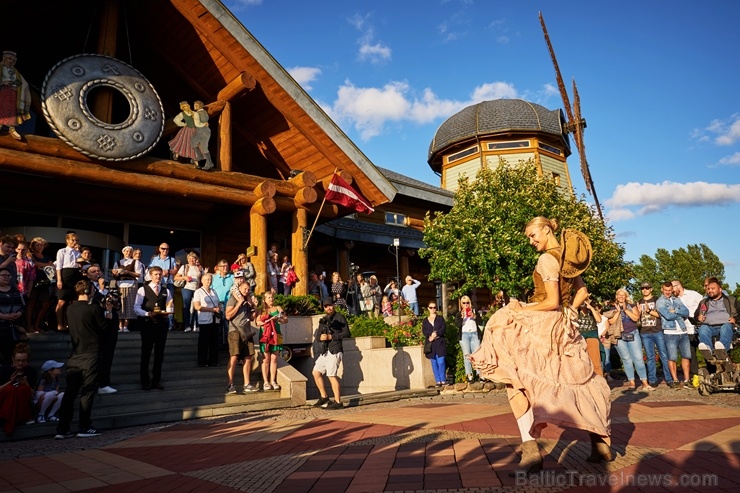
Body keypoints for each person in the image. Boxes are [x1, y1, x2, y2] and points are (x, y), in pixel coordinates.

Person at [470, 217, 612, 473]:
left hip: (543, 326)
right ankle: (600, 442)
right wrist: (572, 310)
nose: (531, 240)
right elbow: (582, 292)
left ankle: (531, 452)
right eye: (529, 237)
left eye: (533, 234)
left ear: (546, 230)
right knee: (578, 383)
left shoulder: (547, 259)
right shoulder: (567, 258)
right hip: (563, 328)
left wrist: (519, 308)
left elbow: (551, 301)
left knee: (518, 383)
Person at [55, 279, 113, 439]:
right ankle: (84, 426)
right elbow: (104, 328)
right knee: (88, 391)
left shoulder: (70, 309)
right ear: (88, 291)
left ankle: (62, 428)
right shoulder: (94, 308)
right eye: (93, 290)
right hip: (91, 354)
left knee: (70, 393)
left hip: (75, 355)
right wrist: (108, 312)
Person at [134, 266, 173, 390]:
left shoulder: (166, 291)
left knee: (159, 354)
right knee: (146, 353)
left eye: (160, 275)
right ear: (151, 276)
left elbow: (170, 305)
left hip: (161, 325)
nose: (158, 277)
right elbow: (136, 307)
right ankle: (145, 381)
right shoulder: (143, 289)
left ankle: (156, 380)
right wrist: (146, 314)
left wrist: (168, 312)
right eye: (156, 274)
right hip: (147, 324)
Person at [609, 288, 654, 391]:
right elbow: (611, 321)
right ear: (616, 296)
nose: (621, 297)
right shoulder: (612, 308)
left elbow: (635, 318)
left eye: (623, 295)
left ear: (626, 296)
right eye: (619, 295)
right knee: (626, 359)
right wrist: (618, 312)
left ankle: (644, 382)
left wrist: (625, 310)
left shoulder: (632, 306)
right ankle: (632, 382)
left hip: (632, 333)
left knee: (638, 358)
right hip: (619, 336)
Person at [86, 264, 119, 395]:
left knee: (108, 354)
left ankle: (104, 382)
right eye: (93, 271)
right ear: (88, 275)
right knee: (96, 356)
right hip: (97, 325)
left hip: (111, 324)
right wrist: (101, 290)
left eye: (98, 270)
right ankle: (93, 382)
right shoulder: (87, 286)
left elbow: (117, 302)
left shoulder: (109, 285)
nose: (97, 273)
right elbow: (91, 302)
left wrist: (110, 297)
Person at [312, 297, 349, 410]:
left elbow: (347, 333)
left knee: (331, 375)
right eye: (326, 306)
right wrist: (321, 337)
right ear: (324, 308)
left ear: (334, 305)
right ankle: (324, 397)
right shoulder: (323, 320)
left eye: (330, 305)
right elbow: (318, 336)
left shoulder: (339, 317)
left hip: (335, 350)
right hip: (325, 351)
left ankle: (338, 402)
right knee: (316, 372)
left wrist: (332, 336)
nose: (329, 308)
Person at [655, 281, 691, 389]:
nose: (667, 292)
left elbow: (686, 312)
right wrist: (677, 312)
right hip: (670, 332)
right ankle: (675, 380)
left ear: (672, 290)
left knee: (686, 356)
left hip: (683, 331)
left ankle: (686, 380)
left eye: (669, 290)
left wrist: (674, 310)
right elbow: (667, 316)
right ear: (662, 290)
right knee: (672, 357)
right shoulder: (660, 301)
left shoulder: (676, 299)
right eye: (665, 290)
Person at [636, 282, 672, 387]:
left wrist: (649, 311)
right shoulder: (639, 302)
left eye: (647, 288)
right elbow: (637, 320)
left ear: (651, 289)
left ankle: (669, 379)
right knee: (650, 357)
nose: (645, 290)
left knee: (664, 355)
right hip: (645, 332)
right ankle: (652, 379)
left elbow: (662, 315)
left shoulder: (657, 300)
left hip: (657, 330)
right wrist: (638, 313)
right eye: (643, 288)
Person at [224, 280, 257, 393]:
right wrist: (238, 304)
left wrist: (255, 307)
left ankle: (247, 384)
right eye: (244, 289)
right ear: (239, 288)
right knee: (234, 357)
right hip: (235, 331)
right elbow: (228, 316)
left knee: (248, 357)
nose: (246, 291)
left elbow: (252, 318)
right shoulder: (232, 300)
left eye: (248, 290)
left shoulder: (248, 301)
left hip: (246, 330)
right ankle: (230, 384)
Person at [695, 277, 737, 359]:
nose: (710, 291)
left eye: (713, 288)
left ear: (720, 289)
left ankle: (722, 350)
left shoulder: (731, 300)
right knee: (703, 328)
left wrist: (735, 318)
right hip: (710, 327)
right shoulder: (704, 302)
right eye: (708, 289)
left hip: (726, 325)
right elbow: (696, 316)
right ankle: (708, 350)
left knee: (726, 326)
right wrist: (698, 317)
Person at [0, 342, 36, 435]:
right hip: (5, 400)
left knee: (22, 389)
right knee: (11, 389)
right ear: (13, 359)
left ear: (27, 361)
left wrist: (26, 383)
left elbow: (32, 393)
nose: (20, 363)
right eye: (18, 360)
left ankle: (18, 418)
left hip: (22, 401)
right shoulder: (4, 370)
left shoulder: (31, 372)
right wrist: (10, 382)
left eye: (23, 360)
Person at [672, 279, 704, 383]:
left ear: (678, 286)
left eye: (673, 288)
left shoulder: (693, 294)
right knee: (691, 355)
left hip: (699, 327)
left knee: (706, 352)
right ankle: (695, 378)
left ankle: (712, 375)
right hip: (686, 330)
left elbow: (705, 304)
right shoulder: (674, 300)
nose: (672, 291)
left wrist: (701, 315)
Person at [256, 292, 287, 391]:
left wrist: (279, 319)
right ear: (264, 299)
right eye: (269, 297)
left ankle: (273, 380)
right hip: (265, 336)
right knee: (266, 359)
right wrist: (265, 322)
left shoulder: (278, 308)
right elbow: (257, 322)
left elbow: (285, 319)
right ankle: (266, 382)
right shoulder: (261, 310)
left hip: (276, 335)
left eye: (272, 297)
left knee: (274, 359)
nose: (271, 299)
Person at [0, 51, 31, 140]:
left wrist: (19, 85)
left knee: (12, 111)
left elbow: (24, 83)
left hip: (13, 94)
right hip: (3, 92)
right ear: (4, 58)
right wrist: (3, 82)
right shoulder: (1, 68)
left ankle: (12, 128)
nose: (11, 61)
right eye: (9, 59)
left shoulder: (15, 71)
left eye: (13, 60)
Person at [26, 237, 54, 333]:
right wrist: (46, 265)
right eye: (37, 245)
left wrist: (41, 265)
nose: (40, 247)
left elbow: (52, 266)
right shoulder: (30, 255)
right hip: (33, 282)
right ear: (33, 246)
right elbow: (35, 264)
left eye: (41, 245)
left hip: (45, 283)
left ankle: (37, 325)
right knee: (31, 304)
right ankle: (29, 326)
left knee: (46, 304)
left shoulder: (47, 256)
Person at [112, 246, 144, 332]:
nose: (128, 253)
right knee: (120, 305)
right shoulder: (118, 262)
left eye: (130, 251)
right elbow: (115, 276)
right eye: (126, 251)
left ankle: (126, 326)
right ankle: (120, 325)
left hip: (131, 284)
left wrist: (128, 272)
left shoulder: (135, 262)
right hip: (120, 284)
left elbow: (139, 274)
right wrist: (115, 273)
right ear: (123, 252)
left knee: (129, 305)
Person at [54, 232, 82, 332]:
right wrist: (59, 280)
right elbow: (59, 267)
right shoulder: (62, 251)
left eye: (76, 240)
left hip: (75, 276)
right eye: (72, 240)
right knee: (61, 301)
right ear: (67, 240)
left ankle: (68, 324)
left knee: (71, 302)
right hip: (65, 276)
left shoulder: (78, 253)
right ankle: (59, 324)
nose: (75, 242)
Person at [193, 273, 221, 367]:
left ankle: (214, 360)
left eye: (210, 279)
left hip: (215, 319)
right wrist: (211, 310)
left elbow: (217, 303)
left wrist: (218, 308)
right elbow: (197, 306)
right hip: (205, 319)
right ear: (202, 281)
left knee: (214, 340)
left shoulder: (214, 291)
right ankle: (202, 361)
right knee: (204, 341)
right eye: (206, 279)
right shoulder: (198, 292)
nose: (208, 281)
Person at [148, 243, 177, 329]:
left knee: (170, 303)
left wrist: (167, 271)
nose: (165, 250)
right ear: (159, 249)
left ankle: (169, 324)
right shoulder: (154, 259)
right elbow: (150, 270)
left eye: (167, 249)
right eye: (163, 248)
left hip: (169, 283)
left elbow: (175, 271)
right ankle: (155, 321)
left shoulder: (172, 259)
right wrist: (159, 272)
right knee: (156, 302)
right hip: (157, 283)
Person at [175, 251, 205, 332]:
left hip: (197, 289)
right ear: (187, 259)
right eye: (189, 258)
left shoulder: (199, 268)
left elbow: (203, 279)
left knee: (197, 307)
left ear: (196, 259)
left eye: (193, 258)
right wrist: (184, 277)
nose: (191, 260)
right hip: (187, 288)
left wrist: (203, 272)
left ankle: (196, 325)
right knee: (186, 307)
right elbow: (176, 278)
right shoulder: (184, 267)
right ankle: (187, 326)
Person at [0, 267, 24, 364]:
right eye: (3, 275)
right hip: (1, 326)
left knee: (11, 353)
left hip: (12, 327)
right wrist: (2, 316)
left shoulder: (15, 291)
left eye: (8, 276)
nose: (6, 277)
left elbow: (23, 306)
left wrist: (18, 313)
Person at [455, 295, 481, 383]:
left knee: (477, 355)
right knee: (467, 356)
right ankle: (469, 375)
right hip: (464, 335)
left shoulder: (474, 311)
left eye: (467, 303)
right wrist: (462, 318)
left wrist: (475, 317)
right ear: (461, 304)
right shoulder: (459, 314)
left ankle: (480, 374)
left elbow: (481, 323)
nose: (466, 305)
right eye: (464, 303)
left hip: (474, 334)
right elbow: (457, 325)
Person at [423, 300, 447, 387]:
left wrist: (436, 334)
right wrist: (430, 335)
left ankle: (443, 380)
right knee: (434, 362)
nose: (433, 309)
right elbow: (424, 330)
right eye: (431, 307)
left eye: (434, 307)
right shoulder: (425, 320)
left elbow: (443, 328)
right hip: (431, 343)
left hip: (439, 342)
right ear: (428, 309)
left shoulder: (440, 318)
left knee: (441, 361)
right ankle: (438, 381)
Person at [577, 299, 603, 378]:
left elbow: (599, 320)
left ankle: (600, 384)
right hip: (579, 338)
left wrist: (591, 308)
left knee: (595, 363)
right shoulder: (576, 312)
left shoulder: (591, 311)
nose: (583, 303)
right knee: (580, 363)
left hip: (592, 337)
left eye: (585, 300)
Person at [191, 100, 215, 170]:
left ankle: (208, 162)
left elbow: (197, 124)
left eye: (196, 105)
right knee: (194, 142)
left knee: (200, 145)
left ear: (199, 106)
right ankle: (201, 156)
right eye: (194, 105)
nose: (194, 106)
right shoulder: (205, 112)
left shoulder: (196, 114)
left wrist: (203, 124)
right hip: (206, 130)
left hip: (201, 130)